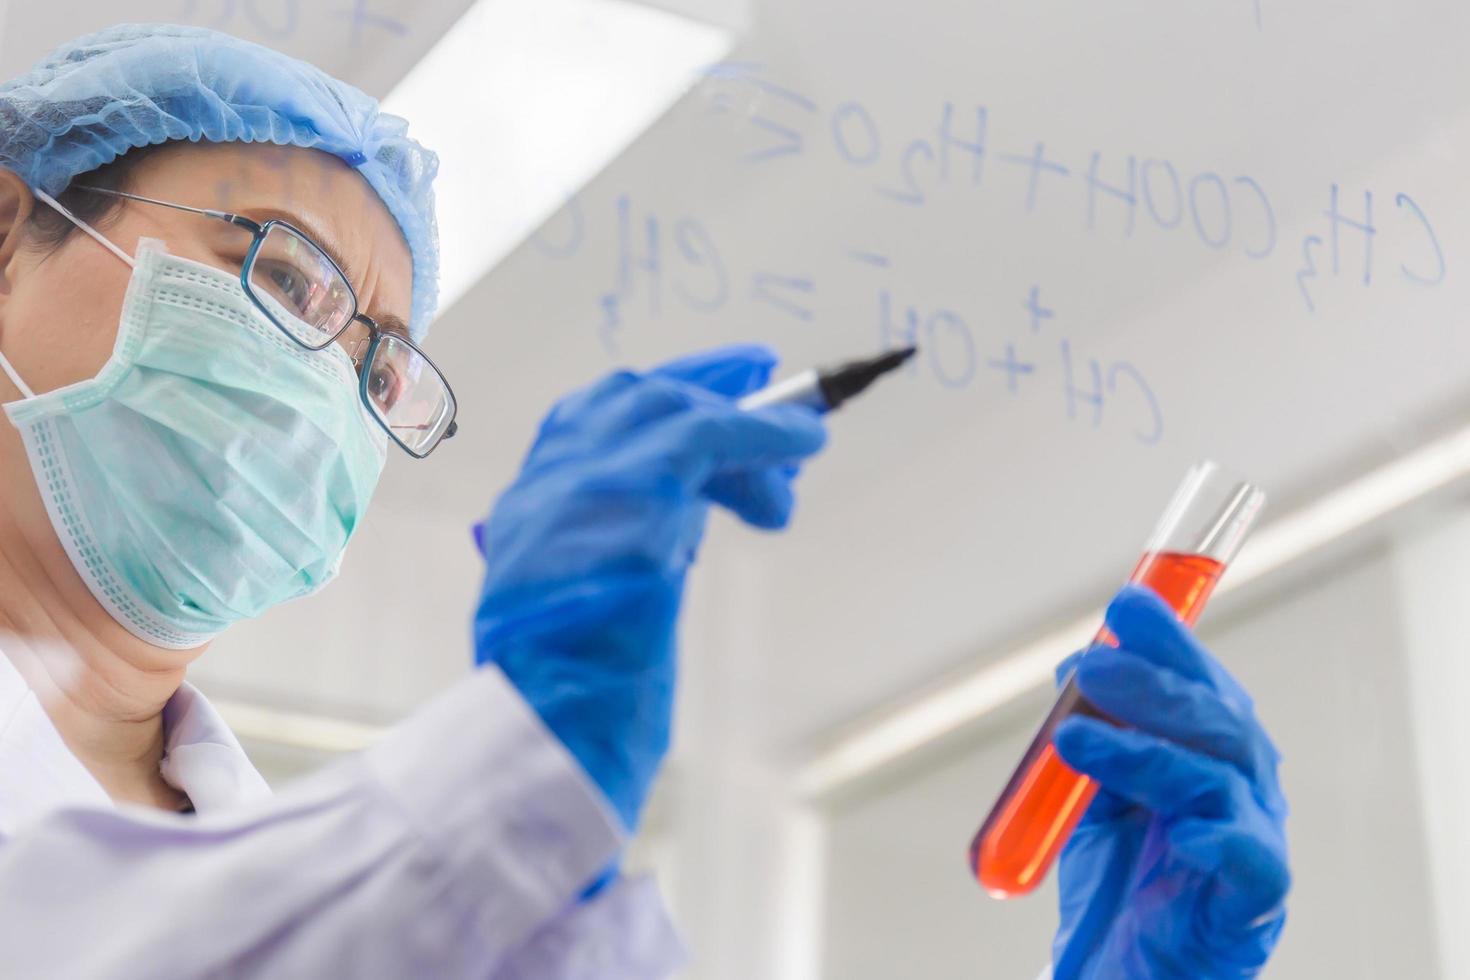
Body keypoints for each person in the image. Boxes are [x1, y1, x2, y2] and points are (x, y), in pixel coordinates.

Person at [0, 22, 1289, 979]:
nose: (328, 388)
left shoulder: (310, 869)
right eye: (285, 276)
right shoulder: (366, 880)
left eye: (378, 362)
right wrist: (518, 769)